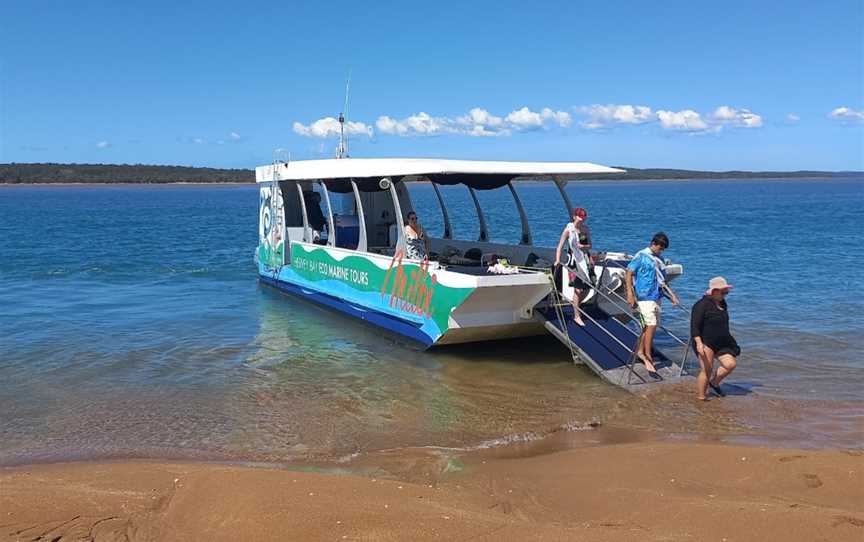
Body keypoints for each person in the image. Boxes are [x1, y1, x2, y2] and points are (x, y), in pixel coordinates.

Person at [625, 232, 680, 375]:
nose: (661, 251)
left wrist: (672, 295)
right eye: (660, 247)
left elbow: (663, 281)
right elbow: (629, 272)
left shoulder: (659, 259)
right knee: (651, 325)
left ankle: (640, 352)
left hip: (657, 296)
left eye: (663, 249)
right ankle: (648, 358)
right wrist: (630, 294)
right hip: (644, 296)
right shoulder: (641, 256)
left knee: (648, 327)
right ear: (653, 243)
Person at [691, 276, 740, 400]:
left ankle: (714, 383)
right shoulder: (701, 305)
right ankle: (701, 398)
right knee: (707, 370)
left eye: (726, 291)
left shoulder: (722, 303)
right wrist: (698, 343)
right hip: (705, 342)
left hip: (722, 342)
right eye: (723, 292)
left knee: (730, 364)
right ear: (714, 291)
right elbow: (694, 326)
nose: (726, 294)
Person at [555, 207, 592, 326]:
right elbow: (560, 245)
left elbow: (588, 245)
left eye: (583, 219)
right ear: (574, 217)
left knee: (588, 287)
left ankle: (575, 305)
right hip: (573, 262)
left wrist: (583, 247)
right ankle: (577, 316)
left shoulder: (584, 230)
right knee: (578, 289)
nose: (581, 221)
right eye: (580, 218)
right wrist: (557, 260)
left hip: (584, 260)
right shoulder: (569, 230)